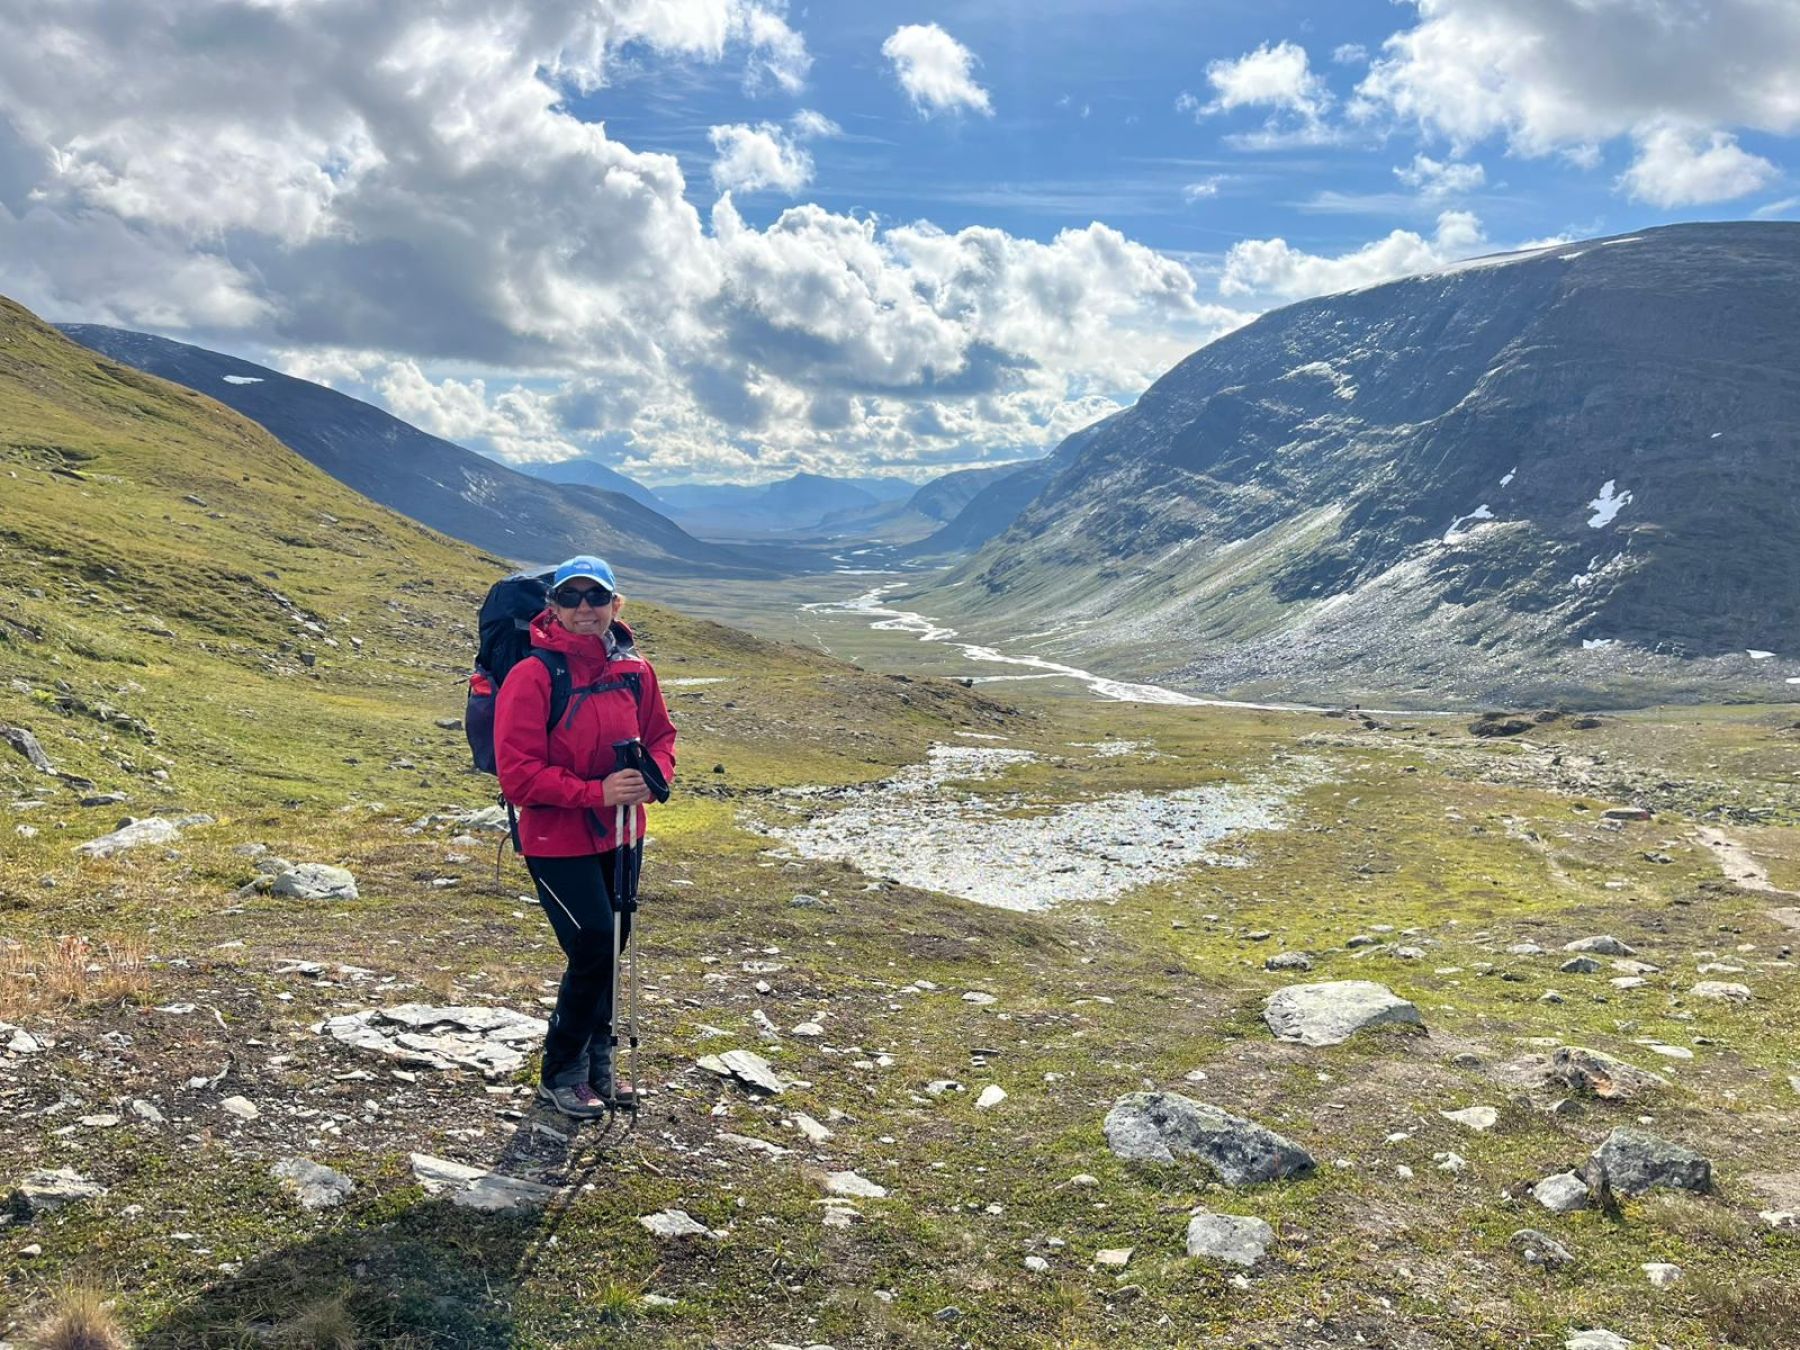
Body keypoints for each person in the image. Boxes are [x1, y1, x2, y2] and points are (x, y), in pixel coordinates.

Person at [494, 555, 677, 1119]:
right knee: (595, 942)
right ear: (552, 607)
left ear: (615, 605)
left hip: (622, 833)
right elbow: (518, 775)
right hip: (556, 839)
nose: (584, 608)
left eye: (596, 597)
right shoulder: (533, 675)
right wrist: (597, 792)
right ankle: (562, 1070)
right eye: (570, 597)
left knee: (610, 946)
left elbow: (661, 736)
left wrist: (652, 778)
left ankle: (599, 1064)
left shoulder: (635, 670)